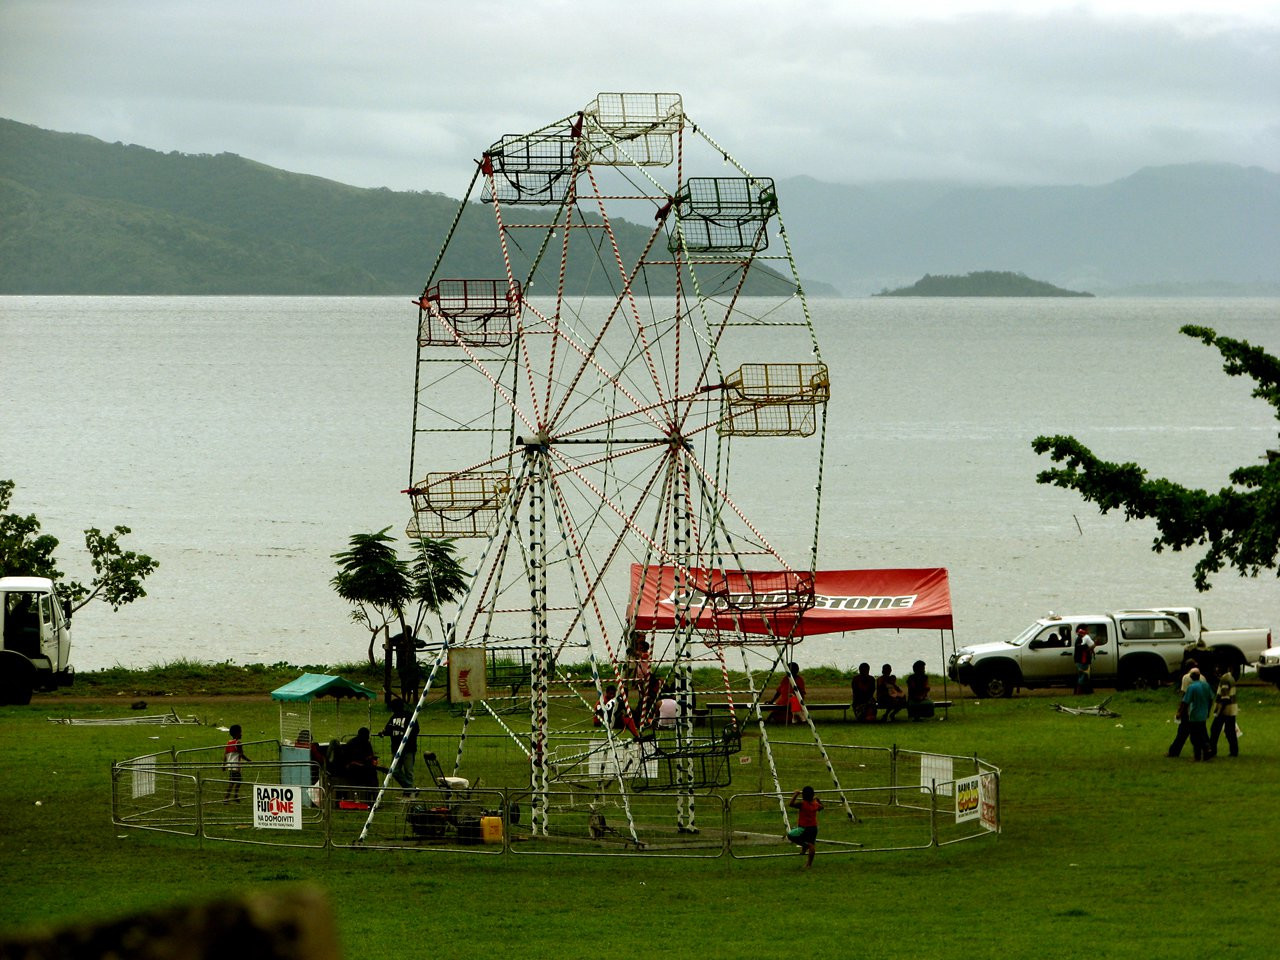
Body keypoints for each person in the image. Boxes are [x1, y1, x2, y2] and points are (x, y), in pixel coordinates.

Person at [1169, 669, 1214, 761]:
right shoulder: (1206, 685)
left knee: (1194, 737)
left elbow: (1185, 702)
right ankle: (1207, 752)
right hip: (1203, 714)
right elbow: (1210, 699)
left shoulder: (1192, 687)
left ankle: (1199, 755)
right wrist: (1208, 711)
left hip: (1194, 715)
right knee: (1202, 733)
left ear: (1191, 677)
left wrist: (1179, 713)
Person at [378, 698, 419, 788]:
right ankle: (409, 788)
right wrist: (383, 733)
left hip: (408, 748)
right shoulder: (393, 717)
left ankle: (409, 791)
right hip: (396, 747)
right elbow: (388, 729)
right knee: (395, 770)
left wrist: (400, 730)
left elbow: (415, 730)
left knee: (408, 771)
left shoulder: (409, 716)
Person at [788, 785, 824, 868]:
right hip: (814, 828)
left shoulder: (802, 804)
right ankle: (809, 864)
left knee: (790, 835)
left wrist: (796, 794)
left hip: (803, 828)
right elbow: (821, 807)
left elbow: (791, 804)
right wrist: (818, 800)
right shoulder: (815, 804)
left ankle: (805, 846)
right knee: (812, 844)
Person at [1208, 671, 1239, 758]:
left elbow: (1225, 698)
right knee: (1230, 731)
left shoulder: (1224, 680)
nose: (1217, 671)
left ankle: (1212, 750)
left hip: (1225, 710)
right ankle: (1234, 751)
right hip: (1232, 709)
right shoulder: (1230, 677)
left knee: (1214, 729)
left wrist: (1219, 711)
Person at [222, 724, 250, 802]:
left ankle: (230, 797)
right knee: (237, 781)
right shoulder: (238, 743)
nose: (242, 734)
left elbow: (225, 754)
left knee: (233, 781)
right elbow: (241, 755)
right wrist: (248, 760)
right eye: (240, 732)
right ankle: (231, 796)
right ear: (237, 733)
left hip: (230, 765)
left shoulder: (229, 742)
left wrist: (224, 765)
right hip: (236, 766)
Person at [1073, 625, 1096, 695]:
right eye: (1087, 629)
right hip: (1082, 660)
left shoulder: (1082, 638)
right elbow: (1081, 648)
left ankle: (1086, 692)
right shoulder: (1081, 638)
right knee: (1083, 676)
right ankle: (1079, 692)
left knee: (1085, 676)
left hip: (1083, 660)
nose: (1088, 631)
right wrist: (1092, 646)